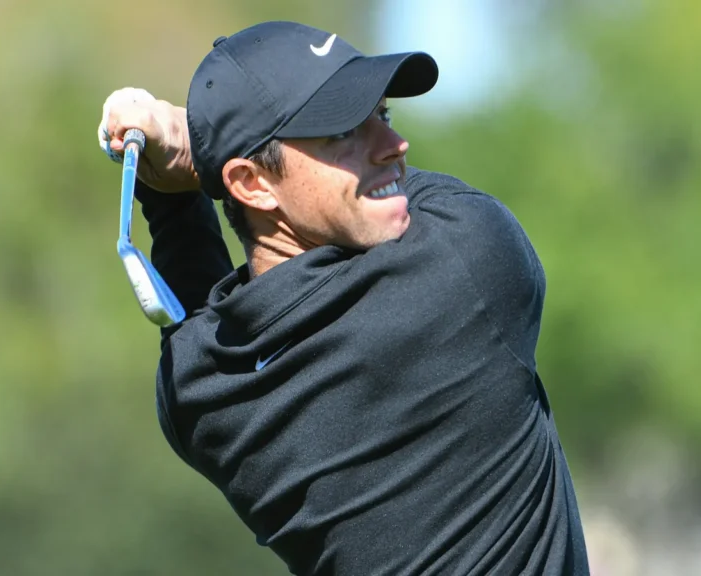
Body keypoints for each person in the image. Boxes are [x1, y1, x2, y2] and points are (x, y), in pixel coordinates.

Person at [100, 20, 590, 576]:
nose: (394, 145)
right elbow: (416, 198)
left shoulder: (199, 395)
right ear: (253, 183)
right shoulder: (466, 263)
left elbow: (196, 313)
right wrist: (194, 154)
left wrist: (178, 183)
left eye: (381, 115)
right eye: (341, 131)